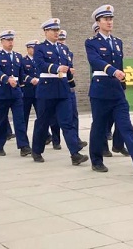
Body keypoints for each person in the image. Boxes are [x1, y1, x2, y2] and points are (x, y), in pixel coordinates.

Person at [85, 5, 133, 175]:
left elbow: (119, 64)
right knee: (99, 126)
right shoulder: (91, 43)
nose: (109, 22)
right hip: (100, 90)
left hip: (117, 91)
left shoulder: (117, 42)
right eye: (106, 19)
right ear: (98, 22)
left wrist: (122, 84)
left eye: (111, 19)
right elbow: (95, 61)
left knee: (125, 125)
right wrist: (113, 71)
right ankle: (96, 159)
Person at [31, 18, 89, 166]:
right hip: (47, 89)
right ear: (46, 32)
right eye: (53, 30)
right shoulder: (40, 48)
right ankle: (37, 150)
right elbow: (40, 65)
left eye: (57, 30)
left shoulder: (63, 49)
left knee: (67, 122)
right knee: (43, 122)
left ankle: (75, 153)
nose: (56, 33)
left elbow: (68, 68)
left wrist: (71, 83)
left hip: (63, 89)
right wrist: (56, 68)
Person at [0, 30, 32, 157]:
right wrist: (6, 79)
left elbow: (22, 74)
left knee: (20, 120)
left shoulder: (18, 56)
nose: (10, 42)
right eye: (8, 40)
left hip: (16, 93)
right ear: (2, 42)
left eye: (12, 40)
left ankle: (24, 146)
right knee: (1, 121)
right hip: (2, 93)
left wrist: (30, 80)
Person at [57, 30, 87, 151]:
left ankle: (76, 139)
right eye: (60, 39)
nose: (62, 42)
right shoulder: (54, 52)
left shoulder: (68, 52)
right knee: (54, 118)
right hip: (57, 86)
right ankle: (54, 140)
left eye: (63, 39)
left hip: (68, 85)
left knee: (74, 114)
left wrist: (71, 73)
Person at [21, 40, 39, 130]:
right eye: (33, 48)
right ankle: (23, 137)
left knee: (41, 114)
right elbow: (21, 74)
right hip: (27, 91)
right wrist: (30, 79)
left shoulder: (39, 60)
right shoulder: (23, 61)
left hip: (39, 91)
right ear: (28, 49)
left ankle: (46, 135)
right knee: (24, 115)